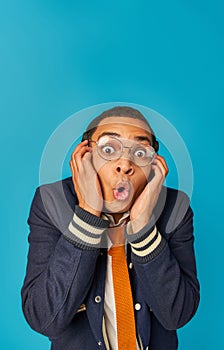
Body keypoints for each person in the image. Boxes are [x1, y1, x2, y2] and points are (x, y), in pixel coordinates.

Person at [21, 106, 200, 350]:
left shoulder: (174, 208)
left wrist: (143, 228)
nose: (124, 164)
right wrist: (87, 215)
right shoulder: (51, 202)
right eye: (108, 149)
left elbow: (177, 315)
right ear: (84, 155)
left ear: (153, 165)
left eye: (139, 152)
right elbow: (44, 319)